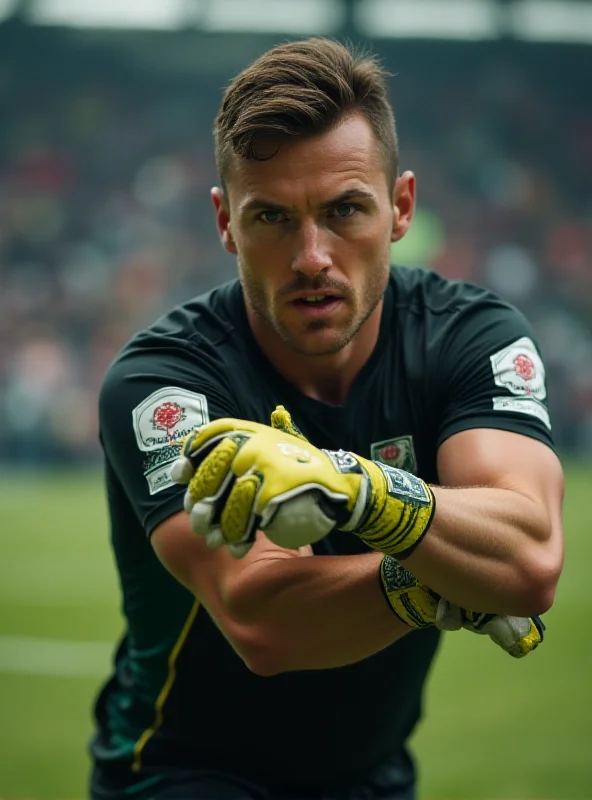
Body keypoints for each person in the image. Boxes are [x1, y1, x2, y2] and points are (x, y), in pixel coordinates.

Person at [91, 38, 564, 800]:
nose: (312, 256)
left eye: (345, 209)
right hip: (181, 770)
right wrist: (433, 578)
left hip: (372, 777)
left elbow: (529, 557)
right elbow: (266, 625)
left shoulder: (471, 337)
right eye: (271, 217)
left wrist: (359, 490)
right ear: (224, 223)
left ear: (402, 206)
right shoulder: (164, 385)